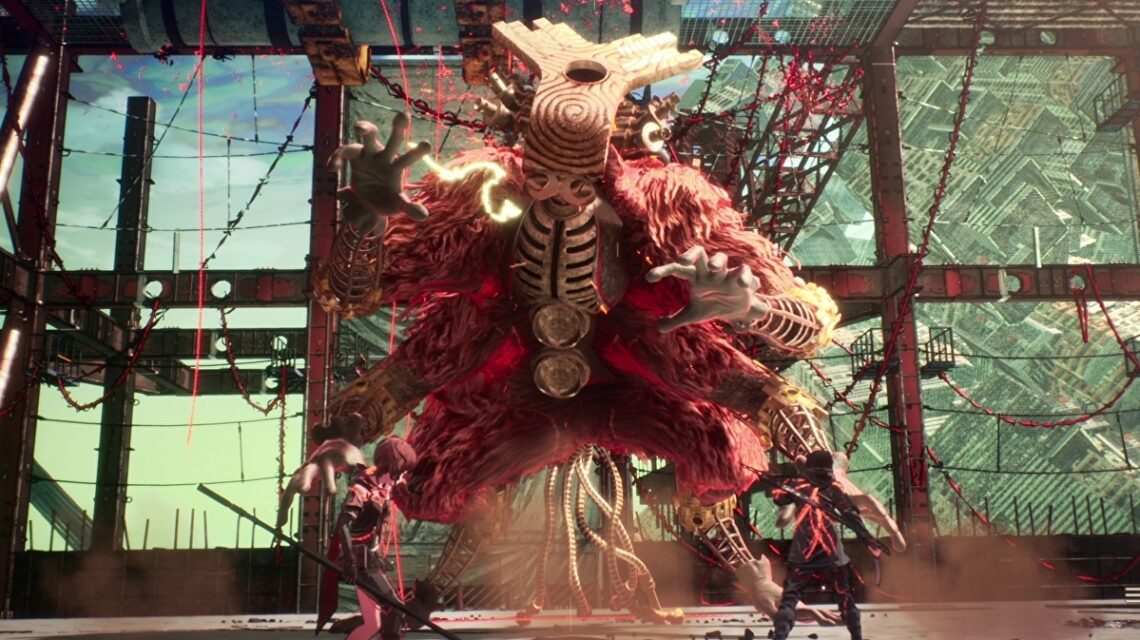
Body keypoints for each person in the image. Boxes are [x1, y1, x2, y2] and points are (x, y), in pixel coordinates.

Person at [769, 451, 869, 640]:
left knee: (789, 599)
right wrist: (866, 537)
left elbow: (779, 499)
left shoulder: (799, 486)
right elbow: (851, 514)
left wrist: (785, 486)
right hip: (832, 554)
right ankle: (857, 637)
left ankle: (780, 636)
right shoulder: (834, 489)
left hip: (803, 553)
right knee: (844, 596)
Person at [324, 436, 417, 640]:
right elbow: (344, 526)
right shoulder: (362, 488)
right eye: (402, 471)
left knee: (373, 624)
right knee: (396, 609)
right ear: (392, 466)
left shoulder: (385, 486)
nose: (403, 477)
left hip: (370, 557)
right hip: (360, 561)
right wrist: (350, 561)